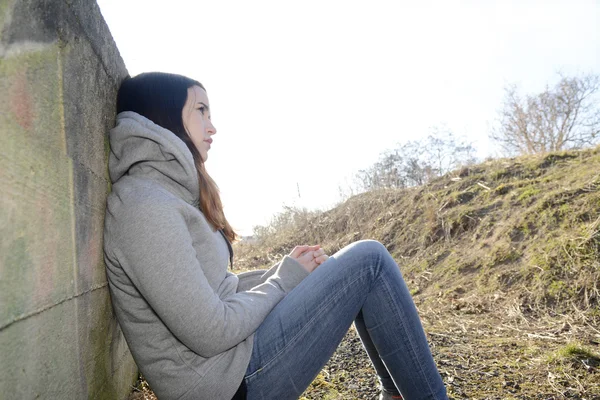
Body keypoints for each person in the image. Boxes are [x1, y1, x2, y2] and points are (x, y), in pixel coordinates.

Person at [103, 72, 448, 400]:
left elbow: (219, 290)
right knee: (369, 262)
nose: (213, 127)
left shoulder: (166, 197)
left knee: (353, 270)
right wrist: (283, 281)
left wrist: (287, 273)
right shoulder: (144, 207)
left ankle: (398, 392)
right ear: (164, 115)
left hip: (234, 361)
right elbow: (210, 331)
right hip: (227, 384)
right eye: (201, 110)